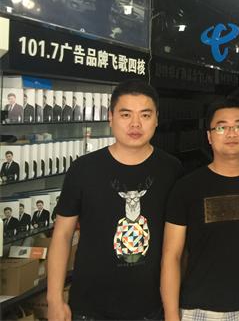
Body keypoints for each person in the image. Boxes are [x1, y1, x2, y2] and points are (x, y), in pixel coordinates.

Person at [47, 80, 183, 321]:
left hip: (150, 309)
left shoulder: (171, 170)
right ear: (110, 117)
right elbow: (62, 235)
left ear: (157, 119)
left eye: (145, 115)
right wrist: (54, 299)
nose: (135, 124)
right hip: (89, 309)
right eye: (126, 114)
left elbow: (176, 247)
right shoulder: (84, 169)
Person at [162, 99, 239, 321]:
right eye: (221, 127)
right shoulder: (187, 187)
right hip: (197, 311)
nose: (231, 133)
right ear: (209, 136)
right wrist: (171, 314)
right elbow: (171, 256)